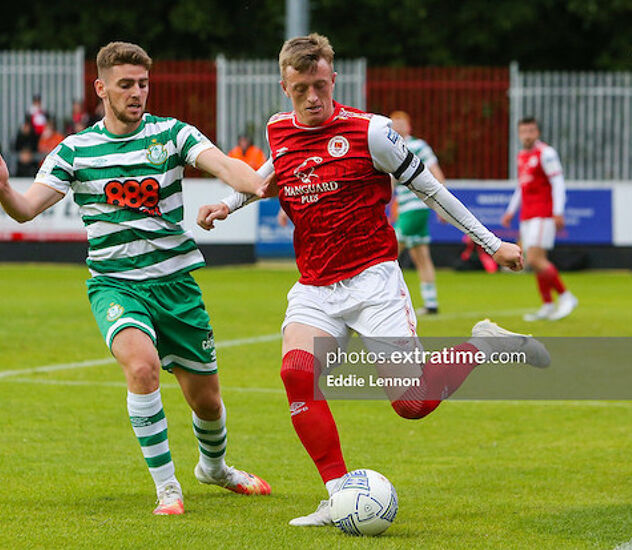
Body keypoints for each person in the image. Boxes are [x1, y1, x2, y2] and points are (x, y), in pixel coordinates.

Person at [197, 34, 549, 526]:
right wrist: (228, 204)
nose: (313, 97)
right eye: (301, 89)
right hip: (316, 286)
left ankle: (483, 345)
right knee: (297, 375)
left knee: (412, 403)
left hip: (373, 281)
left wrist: (493, 244)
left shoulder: (372, 132)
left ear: (333, 78)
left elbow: (432, 191)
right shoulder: (280, 130)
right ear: (285, 86)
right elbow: (270, 176)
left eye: (320, 85)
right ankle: (339, 495)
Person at [0, 41, 272, 516]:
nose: (137, 93)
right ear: (101, 88)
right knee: (141, 368)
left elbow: (222, 164)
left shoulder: (173, 134)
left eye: (142, 84)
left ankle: (214, 468)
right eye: (126, 85)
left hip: (176, 284)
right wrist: (3, 190)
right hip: (116, 285)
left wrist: (253, 182)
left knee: (208, 403)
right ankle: (168, 488)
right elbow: (27, 209)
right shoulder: (76, 150)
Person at [501, 117, 578, 321]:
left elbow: (558, 182)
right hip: (527, 215)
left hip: (543, 214)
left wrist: (558, 211)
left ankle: (566, 296)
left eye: (531, 131)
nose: (527, 135)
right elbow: (522, 186)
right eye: (524, 131)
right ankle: (547, 304)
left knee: (535, 258)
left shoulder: (546, 153)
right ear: (519, 134)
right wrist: (511, 211)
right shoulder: (521, 156)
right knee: (535, 261)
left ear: (538, 133)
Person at [389, 110, 445, 314]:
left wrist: (442, 205)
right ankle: (431, 303)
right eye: (393, 123)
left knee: (387, 253)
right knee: (421, 256)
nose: (397, 126)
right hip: (406, 208)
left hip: (417, 207)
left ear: (409, 126)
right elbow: (392, 184)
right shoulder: (391, 148)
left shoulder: (418, 146)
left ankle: (384, 301)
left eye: (401, 123)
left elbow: (437, 173)